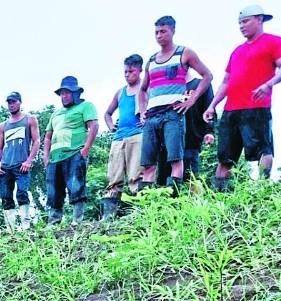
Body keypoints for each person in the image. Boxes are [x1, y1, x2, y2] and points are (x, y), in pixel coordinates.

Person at [202, 5, 281, 189]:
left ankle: (262, 189)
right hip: (231, 110)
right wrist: (212, 105)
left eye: (245, 21)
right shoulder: (237, 51)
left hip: (257, 106)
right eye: (239, 23)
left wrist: (268, 84)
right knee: (225, 156)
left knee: (263, 150)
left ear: (259, 19)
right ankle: (220, 194)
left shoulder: (274, 42)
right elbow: (226, 81)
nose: (241, 26)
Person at [138, 16, 214, 192]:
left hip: (172, 113)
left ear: (173, 31)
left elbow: (207, 75)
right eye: (156, 32)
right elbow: (142, 90)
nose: (159, 35)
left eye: (163, 31)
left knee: (175, 160)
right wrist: (142, 111)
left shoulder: (184, 53)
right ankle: (147, 203)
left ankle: (174, 199)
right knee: (148, 164)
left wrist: (192, 99)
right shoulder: (151, 60)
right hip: (152, 116)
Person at [43, 76, 99, 225]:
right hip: (55, 157)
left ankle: (77, 220)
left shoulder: (86, 106)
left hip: (74, 153)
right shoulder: (55, 114)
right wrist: (45, 156)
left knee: (76, 186)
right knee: (53, 190)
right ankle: (54, 221)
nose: (64, 96)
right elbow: (47, 136)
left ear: (76, 93)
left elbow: (93, 126)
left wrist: (85, 149)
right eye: (62, 93)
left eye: (67, 92)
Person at [103, 55, 146, 219]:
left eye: (131, 71)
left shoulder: (145, 88)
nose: (127, 75)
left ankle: (140, 213)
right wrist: (111, 126)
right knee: (114, 176)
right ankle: (108, 216)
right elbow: (107, 113)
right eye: (125, 72)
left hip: (137, 135)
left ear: (139, 70)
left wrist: (146, 118)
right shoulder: (120, 92)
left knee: (136, 175)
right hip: (118, 137)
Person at [157, 77, 215, 187]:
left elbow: (209, 108)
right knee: (163, 181)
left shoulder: (201, 84)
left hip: (191, 139)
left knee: (190, 180)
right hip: (166, 142)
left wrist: (209, 131)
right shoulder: (167, 86)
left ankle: (193, 198)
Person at [0, 91, 40, 230]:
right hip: (6, 166)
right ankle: (11, 229)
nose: (11, 105)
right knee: (5, 196)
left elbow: (36, 141)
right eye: (9, 102)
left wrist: (29, 161)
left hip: (21, 164)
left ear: (20, 102)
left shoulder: (29, 119)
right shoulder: (3, 125)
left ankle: (26, 226)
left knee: (22, 193)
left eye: (14, 101)